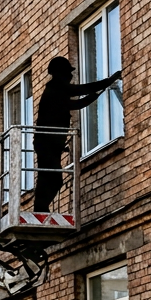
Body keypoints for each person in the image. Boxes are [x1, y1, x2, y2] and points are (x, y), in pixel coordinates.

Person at [32, 56, 121, 213]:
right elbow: (81, 92)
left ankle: (41, 208)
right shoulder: (56, 88)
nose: (70, 75)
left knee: (50, 177)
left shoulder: (56, 91)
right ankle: (40, 209)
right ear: (60, 73)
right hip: (47, 143)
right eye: (68, 72)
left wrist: (96, 93)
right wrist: (109, 81)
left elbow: (77, 103)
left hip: (50, 144)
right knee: (51, 178)